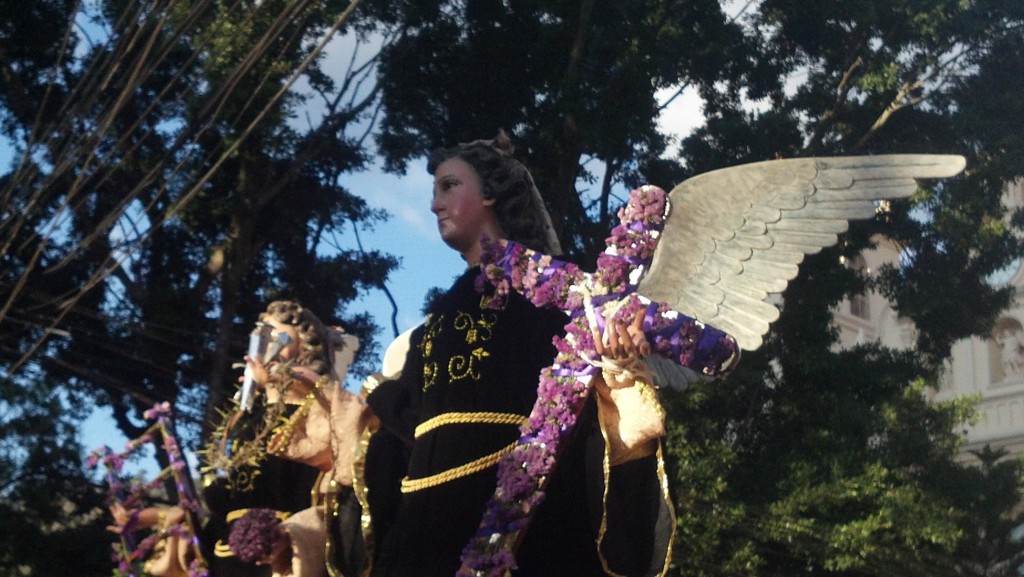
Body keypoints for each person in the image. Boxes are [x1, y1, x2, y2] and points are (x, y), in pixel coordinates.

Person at [362, 131, 674, 577]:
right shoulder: (437, 319)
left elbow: (583, 393)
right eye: (434, 191)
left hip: (518, 523)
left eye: (449, 186)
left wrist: (619, 372)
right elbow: (405, 424)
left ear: (489, 194)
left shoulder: (552, 292)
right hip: (421, 536)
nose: (435, 204)